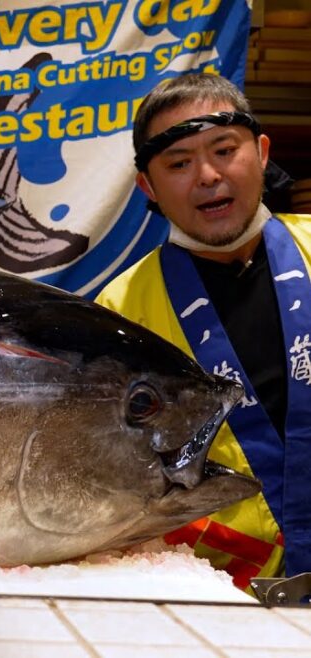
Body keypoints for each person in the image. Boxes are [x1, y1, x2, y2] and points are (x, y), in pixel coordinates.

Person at [95, 72, 310, 587]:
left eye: (224, 150)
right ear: (147, 185)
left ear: (260, 152)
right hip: (216, 589)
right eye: (179, 163)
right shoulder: (118, 313)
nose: (208, 175)